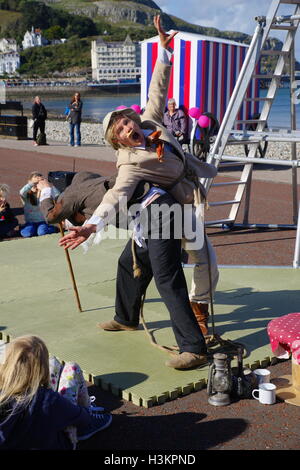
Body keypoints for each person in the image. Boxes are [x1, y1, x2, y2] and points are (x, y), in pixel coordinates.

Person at [59, 16, 218, 369]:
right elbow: (116, 194)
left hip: (188, 201)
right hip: (166, 210)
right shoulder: (128, 163)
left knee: (205, 261)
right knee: (146, 267)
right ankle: (135, 320)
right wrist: (92, 226)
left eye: (126, 121)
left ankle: (200, 314)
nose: (128, 127)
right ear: (116, 140)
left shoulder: (150, 122)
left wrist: (164, 51)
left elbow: (157, 89)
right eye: (120, 128)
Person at [0, 335, 112, 450]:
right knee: (72, 368)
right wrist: (82, 413)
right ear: (41, 368)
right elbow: (83, 418)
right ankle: (85, 427)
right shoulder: (47, 399)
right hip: (54, 443)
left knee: (53, 362)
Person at [19, 171, 60, 238]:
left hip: (42, 222)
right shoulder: (26, 195)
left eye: (38, 183)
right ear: (29, 182)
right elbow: (21, 192)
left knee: (42, 232)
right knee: (27, 234)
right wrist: (32, 183)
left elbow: (57, 194)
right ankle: (26, 228)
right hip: (30, 222)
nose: (36, 185)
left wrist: (48, 185)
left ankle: (53, 228)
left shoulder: (44, 194)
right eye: (34, 183)